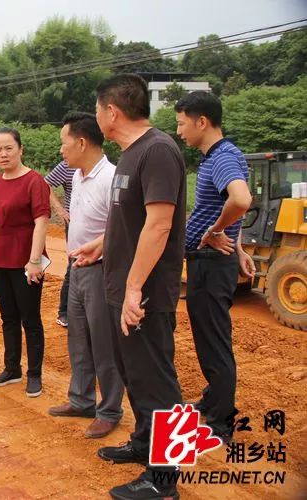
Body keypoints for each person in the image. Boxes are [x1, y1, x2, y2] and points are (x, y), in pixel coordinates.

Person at [71, 74, 186, 499]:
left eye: (98, 109)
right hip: (121, 285)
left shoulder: (156, 152)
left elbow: (159, 225)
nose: (97, 115)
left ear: (111, 112)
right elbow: (131, 220)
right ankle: (144, 443)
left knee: (158, 380)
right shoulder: (133, 154)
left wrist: (135, 288)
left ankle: (165, 481)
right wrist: (100, 246)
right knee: (136, 375)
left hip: (146, 293)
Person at [175, 91, 253, 442]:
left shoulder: (222, 157)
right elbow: (230, 203)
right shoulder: (217, 157)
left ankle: (220, 422)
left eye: (181, 123)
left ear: (201, 121)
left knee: (214, 343)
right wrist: (235, 241)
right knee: (209, 338)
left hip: (210, 264)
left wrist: (216, 231)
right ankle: (212, 401)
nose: (179, 131)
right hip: (210, 261)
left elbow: (241, 200)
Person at [46, 112, 123, 439]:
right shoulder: (77, 176)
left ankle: (110, 410)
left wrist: (99, 249)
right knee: (78, 338)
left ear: (81, 142)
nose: (61, 150)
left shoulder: (113, 177)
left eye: (64, 143)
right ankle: (81, 400)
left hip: (101, 270)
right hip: (75, 268)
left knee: (104, 343)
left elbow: (124, 228)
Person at [0, 127, 50, 398]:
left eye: (8, 148)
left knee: (30, 319)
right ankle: (11, 367)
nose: (3, 154)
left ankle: (34, 373)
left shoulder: (35, 181)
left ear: (20, 149)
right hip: (0, 258)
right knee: (8, 318)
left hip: (27, 260)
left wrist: (34, 260)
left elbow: (41, 221)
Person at [44, 159, 78, 327]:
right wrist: (59, 209)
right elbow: (45, 184)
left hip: (97, 222)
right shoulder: (67, 164)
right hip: (74, 222)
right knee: (75, 263)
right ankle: (64, 312)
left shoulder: (102, 164)